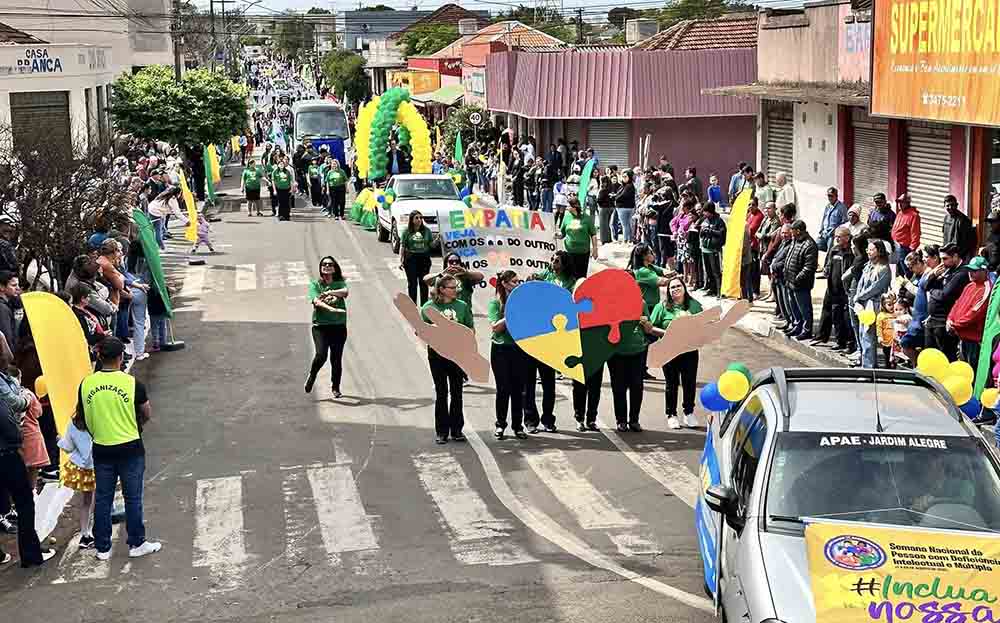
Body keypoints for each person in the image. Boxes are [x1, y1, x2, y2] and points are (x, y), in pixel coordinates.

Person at [78, 337, 161, 560]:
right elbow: (146, 413)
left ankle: (103, 547)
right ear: (120, 357)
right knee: (132, 498)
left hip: (102, 448)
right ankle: (136, 543)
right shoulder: (132, 384)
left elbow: (81, 419)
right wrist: (134, 425)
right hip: (130, 447)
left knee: (103, 498)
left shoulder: (86, 384)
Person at [0, 341, 54, 566]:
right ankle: (30, 554)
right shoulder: (3, 382)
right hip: (6, 451)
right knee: (24, 500)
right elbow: (12, 408)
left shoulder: (5, 377)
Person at [523, 252, 574, 433]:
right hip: (530, 347)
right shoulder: (543, 279)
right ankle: (530, 420)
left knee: (548, 384)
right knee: (528, 385)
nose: (553, 263)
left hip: (551, 345)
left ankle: (548, 419)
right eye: (552, 259)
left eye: (557, 261)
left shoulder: (570, 282)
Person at [421, 275, 473, 445]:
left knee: (457, 392)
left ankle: (457, 429)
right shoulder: (429, 307)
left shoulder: (462, 306)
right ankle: (442, 431)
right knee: (441, 393)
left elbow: (470, 328)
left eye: (456, 287)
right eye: (452, 287)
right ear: (441, 289)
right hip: (437, 355)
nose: (456, 290)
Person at [647, 277, 703, 429]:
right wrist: (668, 333)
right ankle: (671, 414)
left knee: (689, 382)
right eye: (672, 288)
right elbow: (650, 327)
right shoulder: (662, 307)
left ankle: (689, 412)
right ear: (668, 291)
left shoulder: (694, 305)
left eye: (678, 286)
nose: (675, 289)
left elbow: (703, 324)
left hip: (689, 350)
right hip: (669, 350)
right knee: (671, 383)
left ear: (684, 288)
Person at [488, 271, 527, 440]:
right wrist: (510, 312)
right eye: (513, 282)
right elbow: (496, 327)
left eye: (518, 282)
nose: (517, 285)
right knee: (503, 389)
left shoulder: (523, 302)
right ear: (504, 283)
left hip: (519, 348)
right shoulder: (495, 303)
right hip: (501, 349)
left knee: (519, 390)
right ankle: (500, 425)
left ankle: (518, 426)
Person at [305, 257, 348, 397]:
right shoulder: (315, 284)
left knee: (336, 359)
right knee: (321, 355)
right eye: (324, 264)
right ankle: (312, 375)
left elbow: (345, 292)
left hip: (338, 327)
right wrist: (332, 310)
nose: (327, 266)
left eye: (330, 264)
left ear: (335, 268)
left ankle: (336, 387)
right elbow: (316, 301)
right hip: (321, 327)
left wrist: (329, 292)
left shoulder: (339, 283)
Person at [58, 409, 96, 550]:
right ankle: (97, 531)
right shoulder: (97, 421)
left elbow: (68, 447)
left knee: (86, 502)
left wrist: (59, 440)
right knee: (100, 499)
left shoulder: (73, 423)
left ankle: (85, 534)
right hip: (100, 464)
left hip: (82, 468)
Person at [924, 243, 969, 361]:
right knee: (930, 356)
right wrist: (933, 275)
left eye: (945, 258)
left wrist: (932, 290)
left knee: (945, 357)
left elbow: (944, 295)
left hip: (944, 322)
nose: (942, 262)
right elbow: (925, 286)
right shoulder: (947, 270)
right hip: (933, 320)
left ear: (955, 256)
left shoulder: (962, 273)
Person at [812, 226, 855, 349]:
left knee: (844, 317)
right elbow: (828, 263)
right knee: (831, 313)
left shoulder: (851, 252)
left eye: (839, 237)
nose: (836, 239)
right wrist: (826, 270)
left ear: (847, 237)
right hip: (832, 287)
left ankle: (846, 342)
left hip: (845, 290)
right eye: (835, 236)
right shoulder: (834, 249)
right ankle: (828, 337)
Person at [854, 240, 892, 368]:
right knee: (862, 335)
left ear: (879, 251)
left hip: (874, 305)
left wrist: (859, 296)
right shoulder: (868, 265)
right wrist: (857, 298)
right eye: (868, 250)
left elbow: (875, 288)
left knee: (868, 337)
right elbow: (860, 284)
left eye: (871, 250)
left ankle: (869, 368)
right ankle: (866, 365)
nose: (868, 252)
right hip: (864, 304)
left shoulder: (884, 269)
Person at [947, 256, 990, 368]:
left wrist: (955, 325)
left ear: (984, 271)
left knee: (972, 371)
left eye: (974, 271)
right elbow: (957, 304)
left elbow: (975, 313)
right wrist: (949, 319)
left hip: (974, 340)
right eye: (970, 270)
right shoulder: (969, 286)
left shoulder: (986, 289)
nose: (970, 273)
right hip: (962, 336)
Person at [607, 319, 648, 433]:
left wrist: (645, 323)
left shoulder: (642, 304)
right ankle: (621, 421)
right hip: (616, 353)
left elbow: (649, 329)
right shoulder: (612, 304)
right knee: (619, 388)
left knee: (637, 387)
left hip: (638, 352)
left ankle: (634, 420)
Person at [783, 220, 819, 339]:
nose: (790, 232)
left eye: (792, 230)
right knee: (793, 306)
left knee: (804, 308)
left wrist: (797, 279)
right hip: (790, 281)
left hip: (801, 284)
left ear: (798, 231)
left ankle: (806, 330)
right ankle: (797, 326)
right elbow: (789, 256)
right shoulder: (795, 241)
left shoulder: (809, 245)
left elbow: (809, 267)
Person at [557, 197, 598, 280]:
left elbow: (593, 235)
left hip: (583, 252)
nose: (567, 207)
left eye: (568, 206)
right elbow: (562, 234)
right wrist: (557, 235)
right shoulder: (566, 217)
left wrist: (595, 250)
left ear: (574, 207)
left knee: (581, 277)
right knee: (569, 276)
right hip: (569, 252)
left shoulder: (586, 218)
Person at [400, 211, 434, 306]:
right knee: (412, 284)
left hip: (424, 258)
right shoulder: (407, 231)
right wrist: (401, 259)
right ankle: (412, 306)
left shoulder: (427, 231)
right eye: (417, 218)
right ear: (412, 220)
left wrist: (437, 240)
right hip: (411, 258)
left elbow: (431, 244)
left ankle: (424, 306)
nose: (419, 220)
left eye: (420, 218)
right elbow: (403, 246)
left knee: (423, 283)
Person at [628, 244, 670, 314]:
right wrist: (677, 280)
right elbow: (663, 282)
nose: (653, 254)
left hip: (653, 306)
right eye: (650, 252)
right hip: (647, 308)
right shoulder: (642, 271)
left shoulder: (650, 266)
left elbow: (665, 272)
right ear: (644, 256)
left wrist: (674, 273)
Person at [698, 202, 727, 296]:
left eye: (706, 212)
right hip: (705, 248)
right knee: (708, 271)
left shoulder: (719, 221)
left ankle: (719, 290)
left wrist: (711, 231)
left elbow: (722, 234)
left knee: (716, 271)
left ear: (711, 212)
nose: (704, 214)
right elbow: (701, 232)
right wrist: (702, 231)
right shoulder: (705, 220)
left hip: (714, 250)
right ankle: (711, 288)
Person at [891, 193, 921, 277]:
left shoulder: (914, 215)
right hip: (895, 245)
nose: (900, 204)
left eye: (902, 202)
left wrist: (912, 248)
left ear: (908, 203)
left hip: (904, 248)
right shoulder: (900, 213)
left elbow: (916, 233)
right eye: (899, 202)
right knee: (897, 269)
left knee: (906, 270)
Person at [942, 194, 976, 259]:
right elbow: (945, 236)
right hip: (948, 254)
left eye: (952, 205)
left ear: (957, 205)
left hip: (958, 256)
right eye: (948, 206)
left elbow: (967, 242)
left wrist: (959, 256)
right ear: (944, 206)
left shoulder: (963, 220)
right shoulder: (946, 218)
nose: (950, 207)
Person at [817, 187, 847, 253]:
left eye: (831, 196)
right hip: (824, 232)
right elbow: (824, 218)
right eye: (828, 196)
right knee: (816, 246)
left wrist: (835, 230)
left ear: (836, 196)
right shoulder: (828, 206)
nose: (829, 198)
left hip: (832, 235)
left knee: (829, 252)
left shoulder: (841, 207)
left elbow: (845, 222)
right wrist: (821, 229)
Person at [876, 293, 898, 368]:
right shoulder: (881, 315)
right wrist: (879, 336)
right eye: (889, 304)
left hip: (896, 341)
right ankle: (888, 374)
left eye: (893, 304)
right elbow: (879, 327)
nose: (892, 306)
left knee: (896, 358)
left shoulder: (896, 314)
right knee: (887, 357)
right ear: (883, 305)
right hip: (887, 341)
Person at [271, 154, 296, 221]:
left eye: (282, 164)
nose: (281, 165)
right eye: (280, 164)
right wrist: (274, 190)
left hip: (287, 189)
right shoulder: (275, 171)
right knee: (280, 203)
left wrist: (291, 188)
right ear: (278, 165)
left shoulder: (287, 171)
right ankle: (281, 215)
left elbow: (290, 181)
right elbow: (273, 181)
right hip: (279, 189)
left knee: (286, 203)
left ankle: (286, 216)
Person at [614, 171, 637, 243]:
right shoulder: (624, 185)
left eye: (625, 177)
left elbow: (622, 196)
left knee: (625, 225)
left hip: (624, 207)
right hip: (626, 207)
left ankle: (626, 240)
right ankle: (629, 239)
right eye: (622, 176)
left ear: (629, 177)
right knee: (628, 224)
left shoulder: (629, 186)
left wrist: (615, 197)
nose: (623, 178)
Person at [0, 271, 19, 352]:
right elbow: (8, 338)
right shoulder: (2, 309)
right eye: (14, 285)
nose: (18, 288)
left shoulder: (5, 305)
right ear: (1, 287)